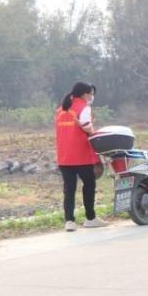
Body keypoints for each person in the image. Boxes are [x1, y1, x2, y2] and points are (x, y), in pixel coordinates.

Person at [54, 82, 106, 231]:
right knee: (89, 185)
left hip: (64, 157)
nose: (92, 96)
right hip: (81, 155)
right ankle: (90, 218)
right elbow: (87, 126)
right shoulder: (84, 108)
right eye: (91, 93)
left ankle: (69, 221)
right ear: (85, 94)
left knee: (69, 189)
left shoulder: (60, 111)